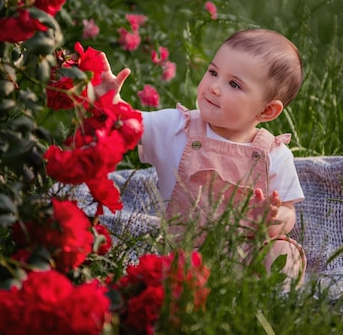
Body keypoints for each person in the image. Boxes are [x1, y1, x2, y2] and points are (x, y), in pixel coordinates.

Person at [98, 28, 306, 288]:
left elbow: (288, 211)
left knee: (285, 255)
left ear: (266, 110)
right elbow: (127, 124)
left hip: (247, 254)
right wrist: (109, 99)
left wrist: (277, 219)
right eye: (213, 72)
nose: (215, 87)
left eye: (234, 84)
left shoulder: (273, 154)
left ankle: (277, 298)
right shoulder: (176, 127)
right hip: (184, 253)